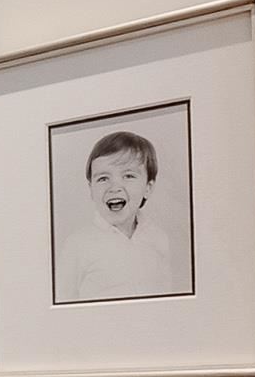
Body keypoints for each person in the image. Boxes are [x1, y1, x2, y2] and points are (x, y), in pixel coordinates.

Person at [55, 129, 182, 302]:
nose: (115, 187)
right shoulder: (77, 245)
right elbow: (62, 302)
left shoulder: (158, 238)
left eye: (128, 176)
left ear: (148, 187)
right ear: (91, 189)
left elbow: (168, 298)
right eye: (103, 178)